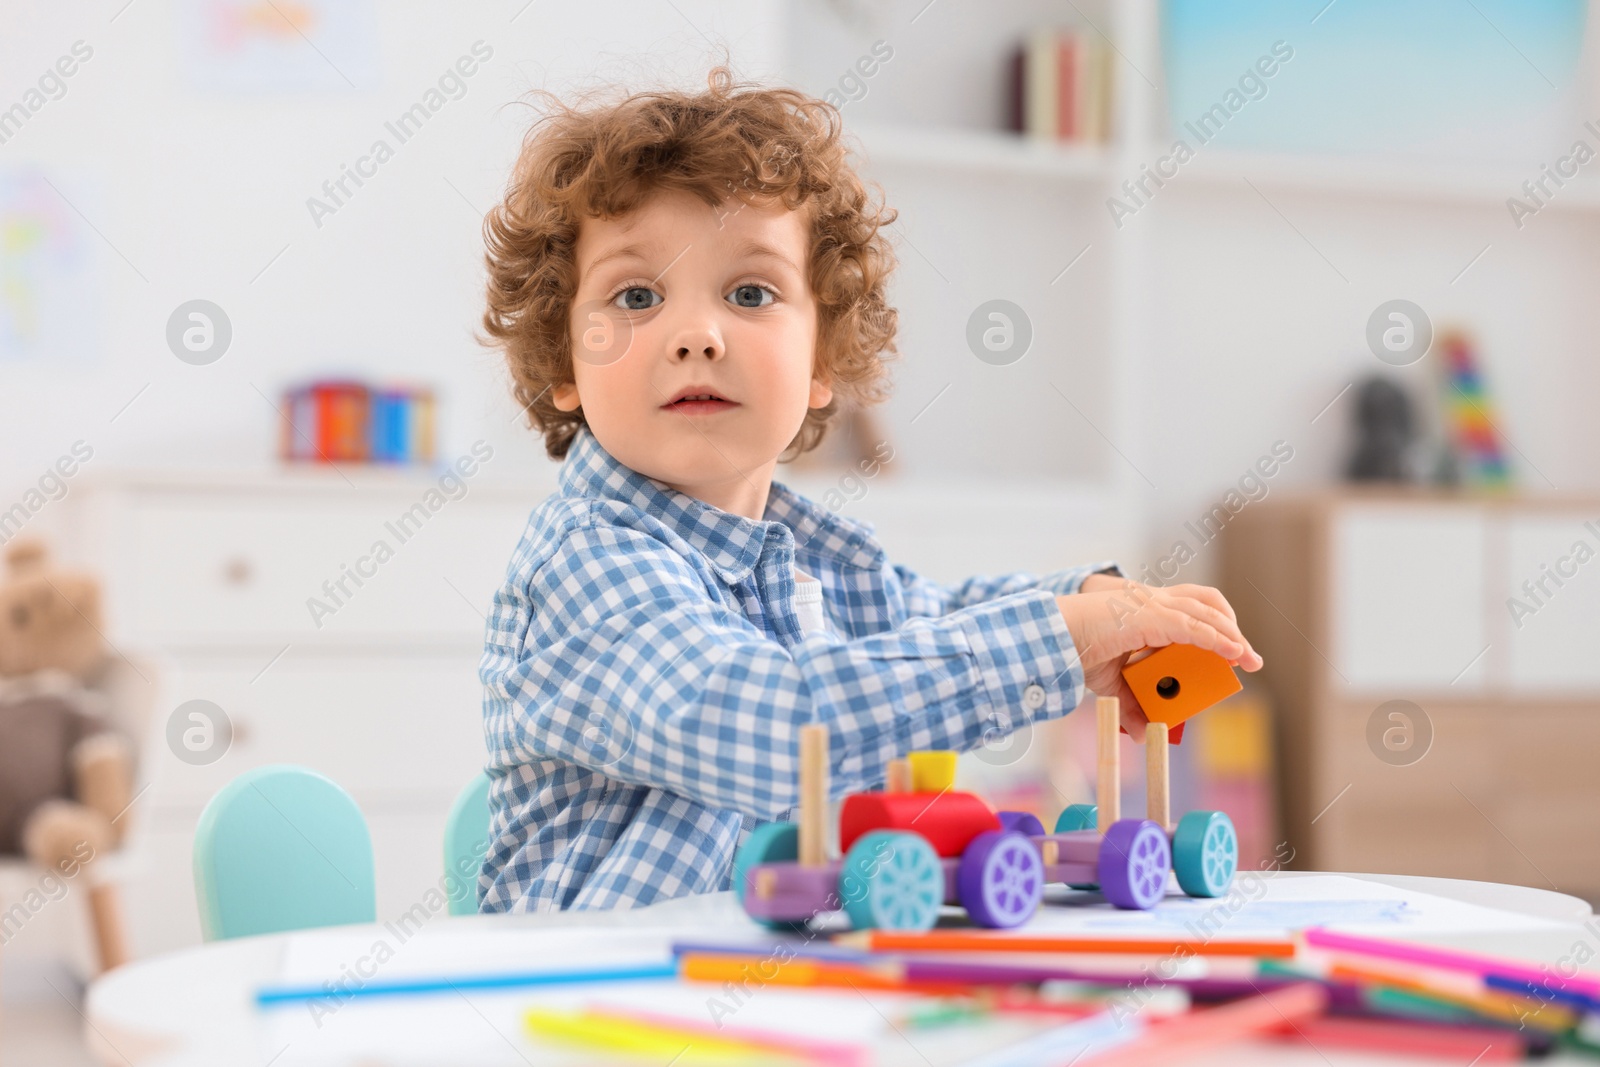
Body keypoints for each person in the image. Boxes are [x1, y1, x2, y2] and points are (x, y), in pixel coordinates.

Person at [474, 67, 1261, 912]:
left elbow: (932, 617)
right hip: (587, 1017)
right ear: (564, 361)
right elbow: (772, 727)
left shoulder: (810, 556)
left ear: (821, 361)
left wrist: (1093, 604)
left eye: (750, 292)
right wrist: (1060, 635)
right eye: (637, 295)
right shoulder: (587, 561)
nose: (697, 335)